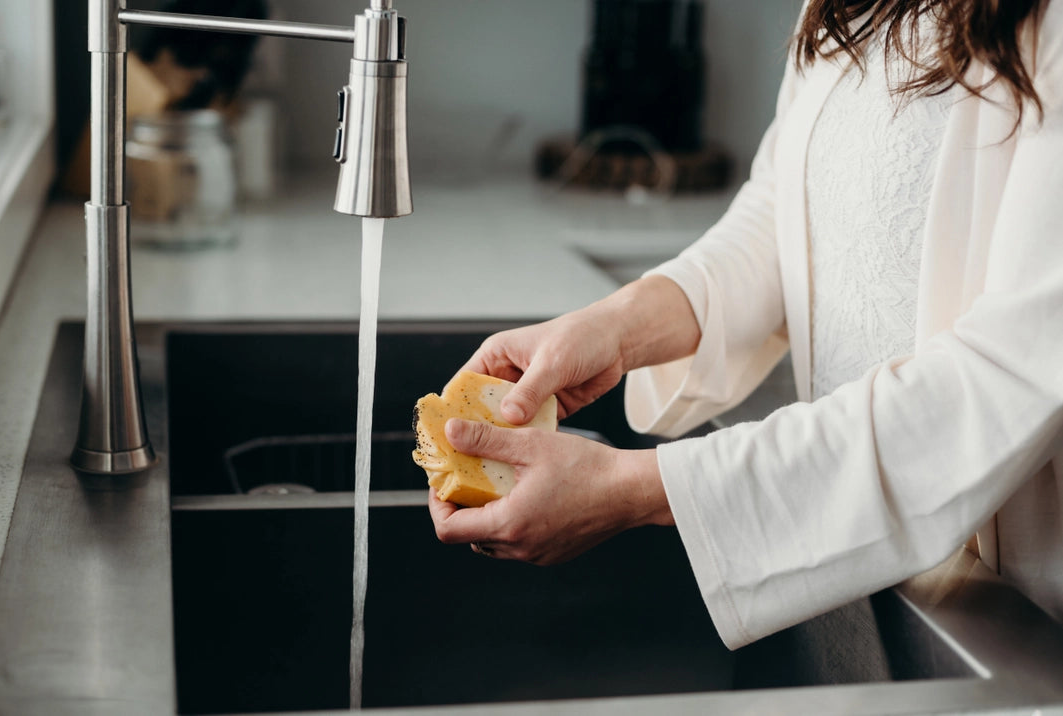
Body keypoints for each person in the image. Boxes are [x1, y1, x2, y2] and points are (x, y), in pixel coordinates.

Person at [428, 0, 1063, 650]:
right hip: (854, 538)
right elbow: (785, 207)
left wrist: (636, 488)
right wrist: (617, 326)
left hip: (1016, 613)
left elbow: (1015, 369)